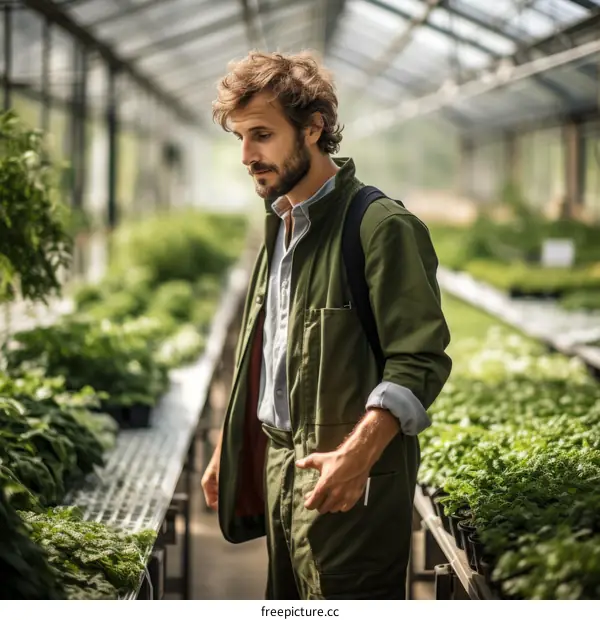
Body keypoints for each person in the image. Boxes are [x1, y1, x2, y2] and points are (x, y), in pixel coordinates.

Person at [201, 50, 452, 600]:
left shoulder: (380, 227)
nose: (247, 155)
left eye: (261, 134)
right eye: (240, 138)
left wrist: (358, 454)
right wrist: (232, 444)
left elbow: (420, 359)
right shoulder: (282, 222)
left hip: (348, 485)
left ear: (313, 128)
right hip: (278, 472)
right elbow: (268, 350)